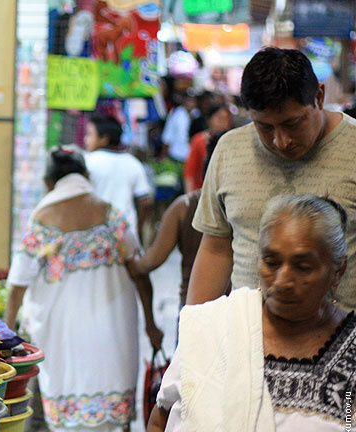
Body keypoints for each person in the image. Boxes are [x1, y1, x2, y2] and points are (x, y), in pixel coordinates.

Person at [131, 194, 355, 432]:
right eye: (271, 261)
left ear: (337, 270)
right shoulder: (213, 330)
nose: (282, 280)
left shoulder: (350, 352)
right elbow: (160, 427)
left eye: (303, 266)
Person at [5, 146, 163, 432]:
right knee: (115, 383)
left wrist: (8, 331)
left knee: (60, 382)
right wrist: (151, 323)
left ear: (49, 181)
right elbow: (140, 273)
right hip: (113, 320)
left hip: (62, 325)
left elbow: (18, 282)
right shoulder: (112, 214)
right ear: (86, 177)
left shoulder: (42, 217)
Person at [187, 47, 356, 310]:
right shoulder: (230, 150)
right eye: (264, 127)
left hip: (344, 340)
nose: (281, 141)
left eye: (293, 123)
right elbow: (216, 249)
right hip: (250, 339)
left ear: (319, 97)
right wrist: (193, 331)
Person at [131, 131, 226, 309]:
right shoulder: (250, 208)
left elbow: (152, 260)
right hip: (237, 308)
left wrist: (130, 263)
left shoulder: (184, 207)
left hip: (194, 305)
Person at [83, 114, 154, 242]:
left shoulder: (88, 162)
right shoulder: (133, 162)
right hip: (126, 235)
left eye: (89, 134)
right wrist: (137, 232)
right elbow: (145, 202)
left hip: (95, 236)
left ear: (104, 139)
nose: (85, 139)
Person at [182, 103, 232, 193]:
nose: (224, 123)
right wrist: (190, 197)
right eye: (220, 119)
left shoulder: (231, 142)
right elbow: (190, 172)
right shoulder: (199, 141)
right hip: (201, 193)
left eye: (227, 119)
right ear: (209, 120)